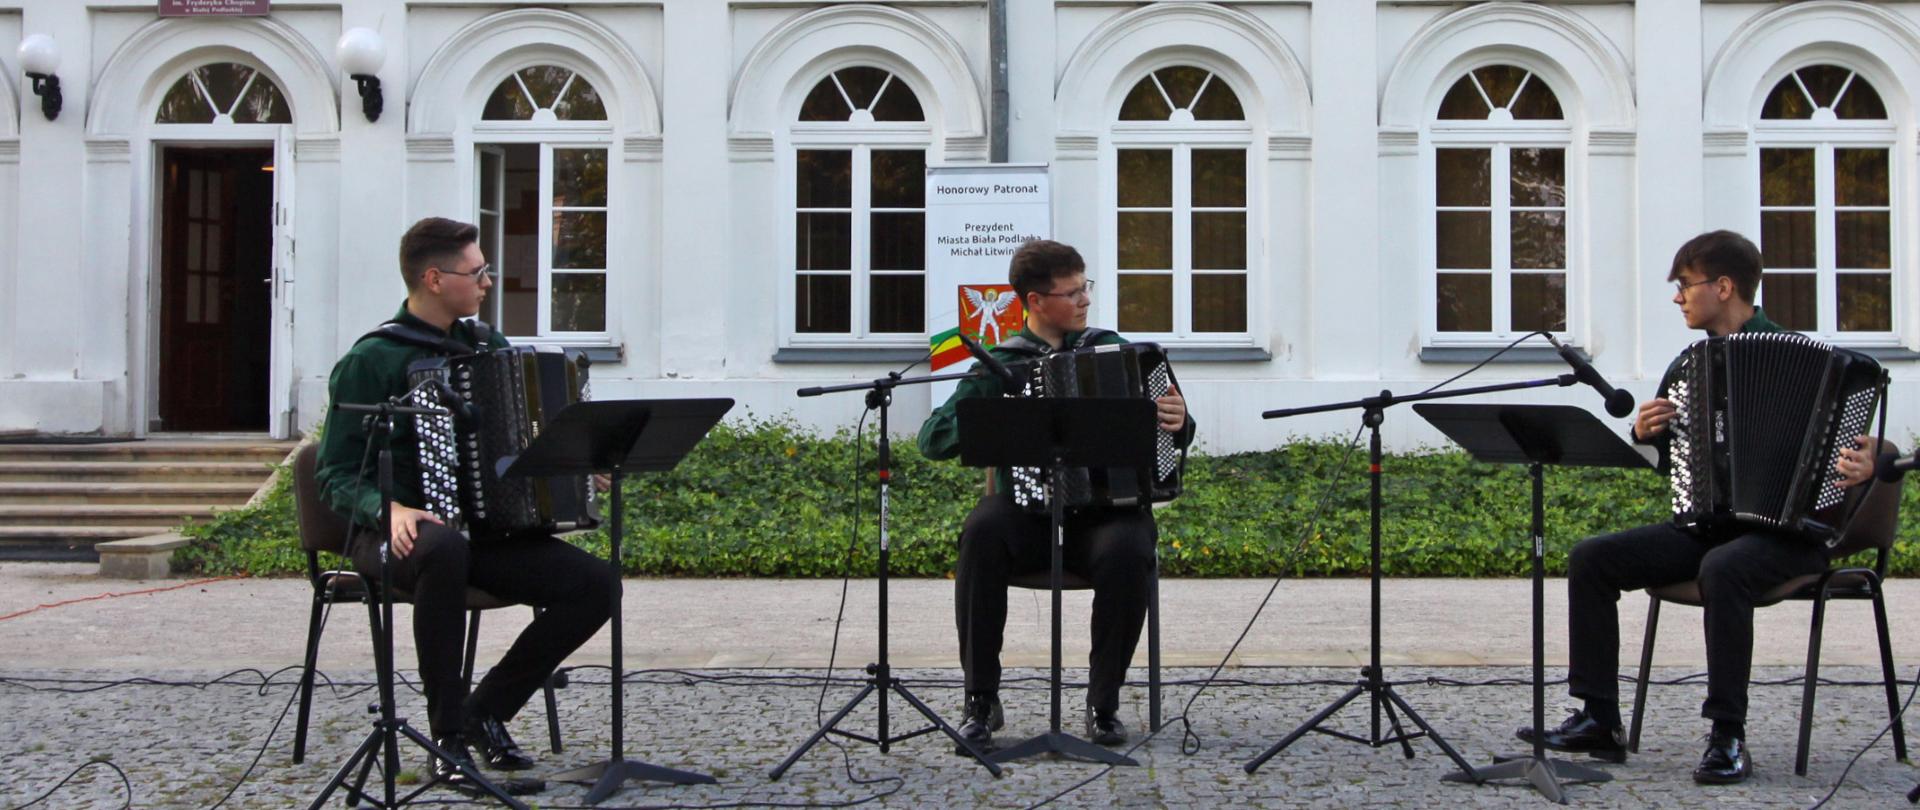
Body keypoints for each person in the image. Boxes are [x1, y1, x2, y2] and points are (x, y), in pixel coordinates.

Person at [1519, 230, 1879, 784]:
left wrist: (1872, 457)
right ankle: (1598, 718)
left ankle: (1727, 735)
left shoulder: (1819, 362)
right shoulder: (1690, 367)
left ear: (1725, 286)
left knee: (1724, 567)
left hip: (1791, 540)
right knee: (1593, 558)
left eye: (1685, 285)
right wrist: (1647, 432)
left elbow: (1867, 440)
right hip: (1709, 528)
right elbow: (1678, 464)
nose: (1677, 297)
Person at [315, 217, 618, 785]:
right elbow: (332, 473)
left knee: (597, 585)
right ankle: (445, 736)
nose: (487, 282)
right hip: (390, 536)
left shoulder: (486, 346)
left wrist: (575, 466)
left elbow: (521, 436)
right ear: (433, 278)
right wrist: (391, 510)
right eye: (477, 272)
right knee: (443, 548)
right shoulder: (372, 360)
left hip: (481, 533)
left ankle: (485, 713)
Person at [918, 239, 1193, 750]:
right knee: (981, 530)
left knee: (1129, 546)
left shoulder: (1117, 350)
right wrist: (991, 413)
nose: (1085, 300)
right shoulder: (1001, 364)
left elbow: (1176, 426)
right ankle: (980, 699)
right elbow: (933, 439)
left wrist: (1178, 422)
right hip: (1029, 511)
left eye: (1085, 287)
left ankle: (1103, 702)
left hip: (1105, 514)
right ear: (1035, 301)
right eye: (1072, 292)